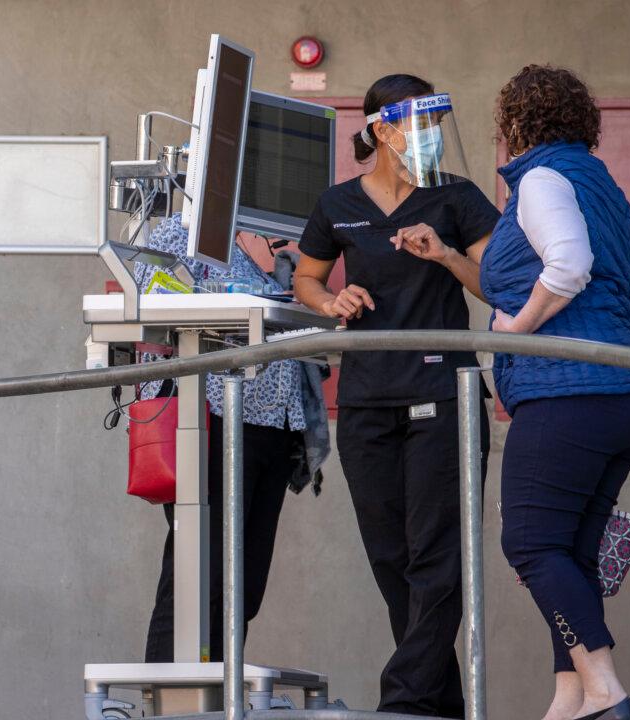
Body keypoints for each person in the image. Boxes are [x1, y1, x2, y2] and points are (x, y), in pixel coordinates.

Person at [293, 74, 500, 717]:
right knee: (392, 561)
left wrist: (442, 255)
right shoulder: (336, 205)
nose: (432, 138)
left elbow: (495, 286)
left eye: (438, 126)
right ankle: (436, 708)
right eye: (422, 125)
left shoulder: (457, 198)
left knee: (437, 557)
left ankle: (404, 702)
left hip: (443, 392)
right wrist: (331, 300)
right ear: (383, 130)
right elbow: (306, 276)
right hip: (364, 401)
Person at [482, 65, 630, 720]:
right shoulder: (602, 185)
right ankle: (571, 697)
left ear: (513, 124)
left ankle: (607, 694)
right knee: (569, 552)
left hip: (570, 391)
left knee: (530, 544)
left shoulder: (540, 179)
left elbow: (569, 265)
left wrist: (514, 329)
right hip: (626, 393)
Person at [134, 211, 329, 663]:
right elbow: (154, 307)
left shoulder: (281, 248)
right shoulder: (185, 232)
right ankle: (173, 706)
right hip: (213, 419)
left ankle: (222, 696)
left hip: (276, 428)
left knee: (244, 586)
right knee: (201, 575)